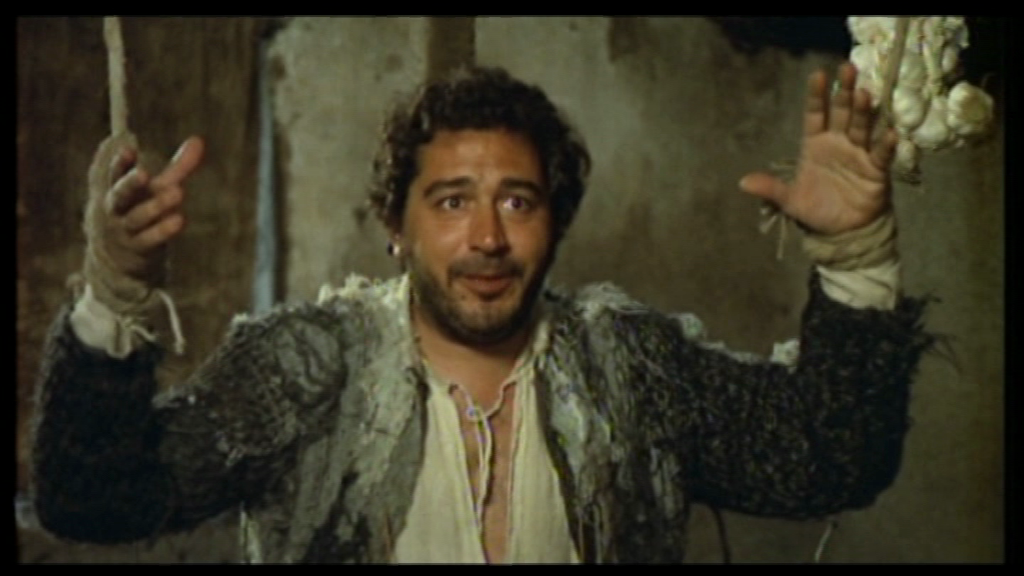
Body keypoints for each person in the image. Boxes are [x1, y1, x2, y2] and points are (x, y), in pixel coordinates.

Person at [31, 63, 933, 563]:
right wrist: (115, 292)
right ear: (397, 226)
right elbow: (91, 501)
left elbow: (826, 462)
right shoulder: (307, 370)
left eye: (519, 202)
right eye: (453, 201)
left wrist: (856, 255)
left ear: (555, 223)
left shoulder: (632, 368)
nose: (489, 238)